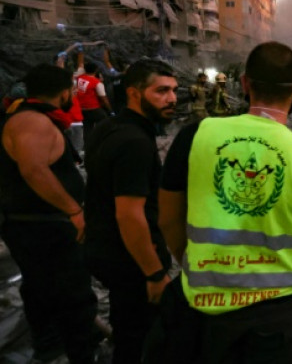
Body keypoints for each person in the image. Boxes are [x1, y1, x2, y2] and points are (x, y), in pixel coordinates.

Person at [157, 41, 292, 363]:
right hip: (275, 318)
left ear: (245, 83)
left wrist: (194, 265)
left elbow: (167, 218)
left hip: (200, 307)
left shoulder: (195, 136)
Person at [0, 64, 100, 363]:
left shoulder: (30, 118)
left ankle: (52, 348)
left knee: (42, 289)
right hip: (45, 227)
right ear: (66, 91)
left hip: (36, 225)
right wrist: (73, 210)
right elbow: (33, 169)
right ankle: (78, 353)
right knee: (73, 294)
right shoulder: (33, 122)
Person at [83, 59, 178, 363]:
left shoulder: (111, 126)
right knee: (142, 339)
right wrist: (153, 272)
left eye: (174, 90)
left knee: (128, 328)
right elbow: (129, 214)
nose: (172, 99)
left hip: (110, 251)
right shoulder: (134, 142)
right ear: (135, 93)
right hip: (131, 259)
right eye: (161, 91)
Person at [75, 62, 113, 143]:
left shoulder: (78, 78)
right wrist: (110, 110)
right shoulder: (96, 82)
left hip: (81, 109)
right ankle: (105, 141)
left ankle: (88, 145)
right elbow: (103, 98)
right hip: (93, 109)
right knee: (106, 123)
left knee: (87, 128)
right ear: (96, 70)